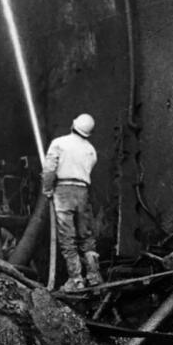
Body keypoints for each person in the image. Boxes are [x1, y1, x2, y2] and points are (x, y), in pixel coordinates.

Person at [41, 112, 103, 291]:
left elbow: (49, 169)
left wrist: (47, 188)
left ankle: (76, 280)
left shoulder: (59, 143)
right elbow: (89, 169)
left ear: (73, 125)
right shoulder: (91, 149)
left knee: (67, 238)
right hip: (83, 191)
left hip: (63, 191)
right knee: (86, 235)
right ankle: (93, 276)